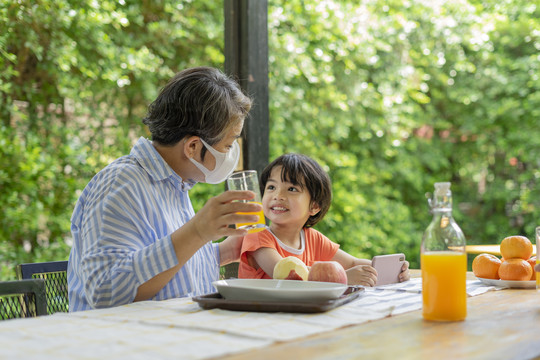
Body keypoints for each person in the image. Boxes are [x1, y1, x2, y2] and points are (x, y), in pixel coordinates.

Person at [68, 66, 263, 311]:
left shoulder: (175, 184)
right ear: (192, 147)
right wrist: (197, 232)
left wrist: (225, 251)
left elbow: (166, 266)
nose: (231, 155)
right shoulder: (121, 184)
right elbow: (105, 291)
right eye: (228, 145)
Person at [238, 153, 410, 286]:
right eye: (271, 187)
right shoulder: (257, 235)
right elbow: (284, 273)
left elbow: (352, 262)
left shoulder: (313, 238)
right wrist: (344, 278)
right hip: (260, 315)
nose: (277, 196)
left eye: (291, 188)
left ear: (314, 206)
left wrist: (393, 271)